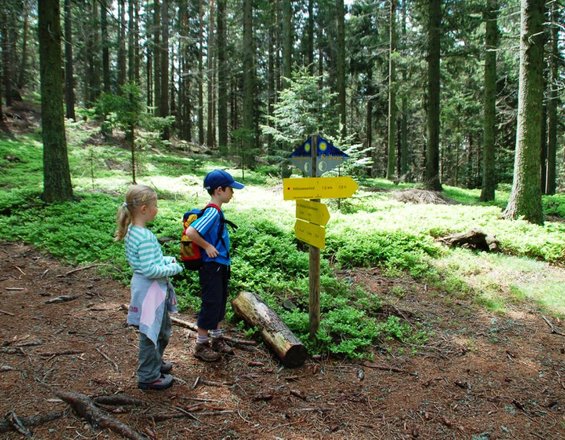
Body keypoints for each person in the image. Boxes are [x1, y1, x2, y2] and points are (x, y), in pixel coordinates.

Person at [115, 184, 183, 390]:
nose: (157, 209)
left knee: (161, 329)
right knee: (151, 333)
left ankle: (155, 363)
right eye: (155, 205)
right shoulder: (143, 237)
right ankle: (148, 375)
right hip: (149, 291)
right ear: (144, 209)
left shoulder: (135, 232)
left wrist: (166, 259)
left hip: (151, 289)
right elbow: (150, 270)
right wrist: (174, 268)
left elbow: (149, 261)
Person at [185, 169, 244, 362]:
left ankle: (217, 339)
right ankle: (201, 344)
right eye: (230, 189)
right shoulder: (212, 211)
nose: (232, 193)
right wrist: (207, 246)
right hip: (212, 267)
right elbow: (192, 232)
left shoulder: (215, 210)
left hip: (220, 265)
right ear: (219, 190)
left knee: (219, 302)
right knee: (211, 303)